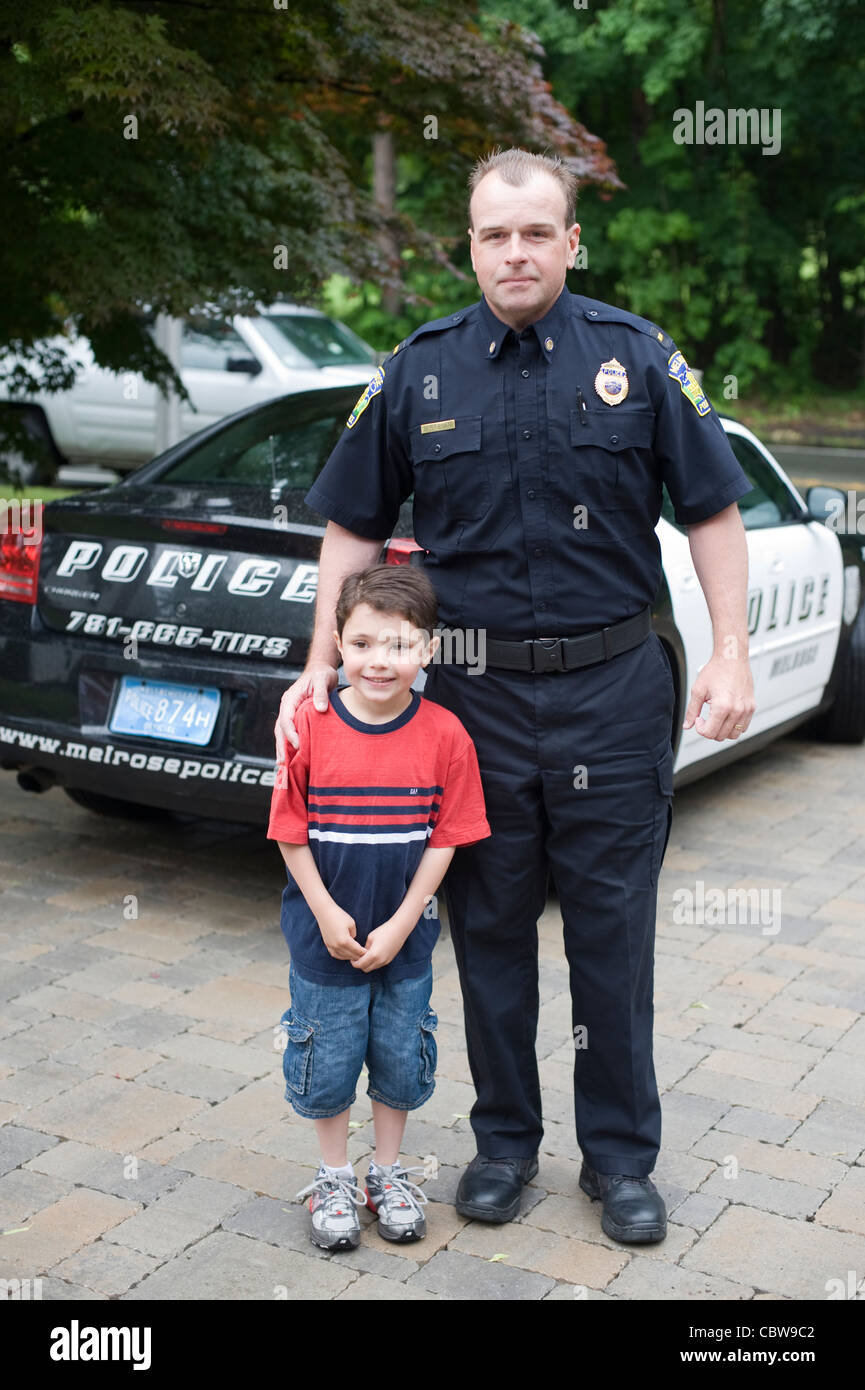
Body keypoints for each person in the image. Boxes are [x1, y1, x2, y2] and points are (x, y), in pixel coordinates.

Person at [275, 147, 756, 1245]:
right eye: (495, 233)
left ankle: (621, 1160)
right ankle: (502, 1145)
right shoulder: (419, 369)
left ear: (572, 241)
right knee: (487, 929)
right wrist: (319, 661)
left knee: (612, 934)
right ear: (472, 244)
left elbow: (714, 509)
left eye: (537, 231)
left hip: (614, 693)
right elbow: (351, 522)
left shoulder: (634, 358)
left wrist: (728, 651)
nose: (516, 251)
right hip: (476, 709)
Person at [268, 563, 490, 1252]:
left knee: (398, 1057)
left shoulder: (446, 735)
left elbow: (448, 838)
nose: (378, 661)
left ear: (427, 649)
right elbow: (288, 832)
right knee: (328, 1059)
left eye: (398, 645)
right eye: (361, 644)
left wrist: (401, 922)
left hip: (407, 941)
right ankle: (334, 1175)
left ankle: (387, 1174)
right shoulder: (309, 724)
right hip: (321, 938)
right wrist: (326, 913)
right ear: (336, 641)